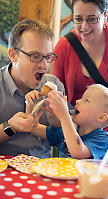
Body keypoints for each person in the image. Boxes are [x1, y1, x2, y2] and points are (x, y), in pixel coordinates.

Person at [52, 0, 108, 160]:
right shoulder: (64, 46)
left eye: (91, 19)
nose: (84, 27)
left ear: (105, 15)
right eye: (78, 19)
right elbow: (57, 91)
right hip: (74, 131)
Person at [0, 19, 65, 156]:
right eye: (35, 56)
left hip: (44, 168)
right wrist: (10, 126)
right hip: (6, 170)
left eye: (47, 57)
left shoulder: (55, 86)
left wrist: (57, 122)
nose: (44, 65)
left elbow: (65, 142)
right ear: (13, 55)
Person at [25, 84, 108, 159]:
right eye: (81, 98)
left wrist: (64, 115)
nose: (77, 101)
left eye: (86, 100)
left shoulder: (102, 139)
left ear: (101, 117)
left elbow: (78, 152)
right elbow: (31, 127)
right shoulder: (66, 132)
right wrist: (30, 104)